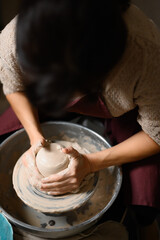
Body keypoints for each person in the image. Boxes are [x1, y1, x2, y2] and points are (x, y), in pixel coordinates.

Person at [0, 0, 160, 239]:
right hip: (43, 99)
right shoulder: (15, 39)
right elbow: (14, 86)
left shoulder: (144, 55)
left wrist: (91, 163)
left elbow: (156, 132)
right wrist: (34, 138)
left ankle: (147, 227)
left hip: (125, 111)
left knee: (144, 202)